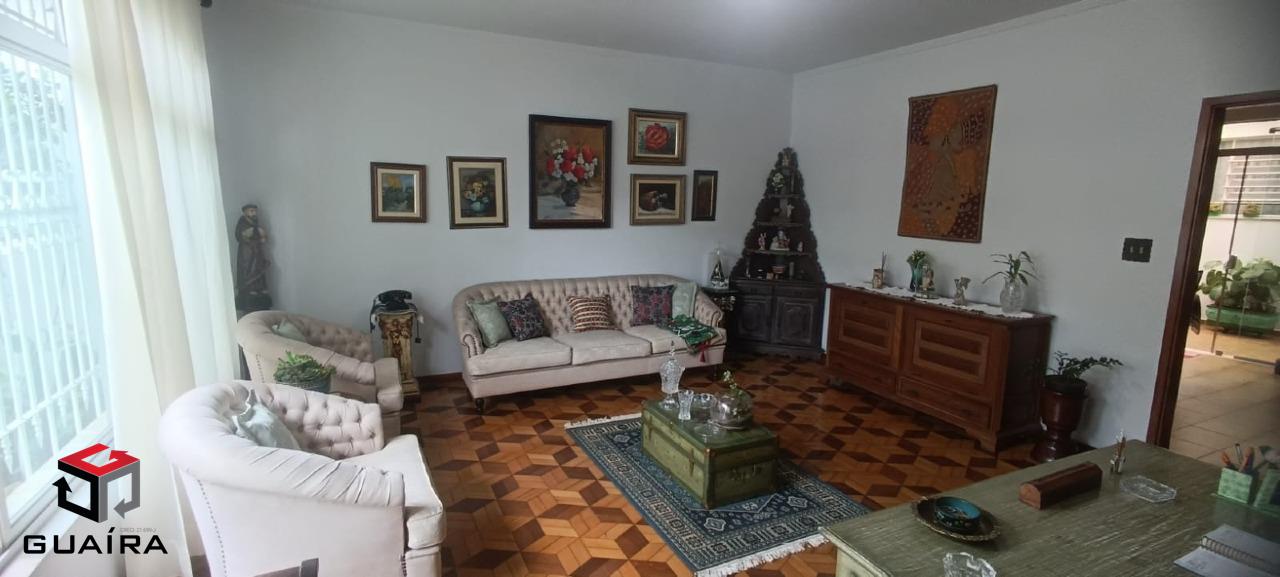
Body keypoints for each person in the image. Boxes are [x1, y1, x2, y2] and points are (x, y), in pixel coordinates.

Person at [235, 203, 272, 311]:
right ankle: (250, 290)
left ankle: (259, 289)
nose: (254, 213)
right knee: (249, 270)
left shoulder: (255, 222)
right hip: (247, 253)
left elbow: (262, 237)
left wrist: (262, 236)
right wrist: (248, 233)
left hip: (257, 252)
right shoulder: (242, 223)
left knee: (258, 270)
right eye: (251, 211)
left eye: (255, 211)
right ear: (245, 212)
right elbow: (239, 235)